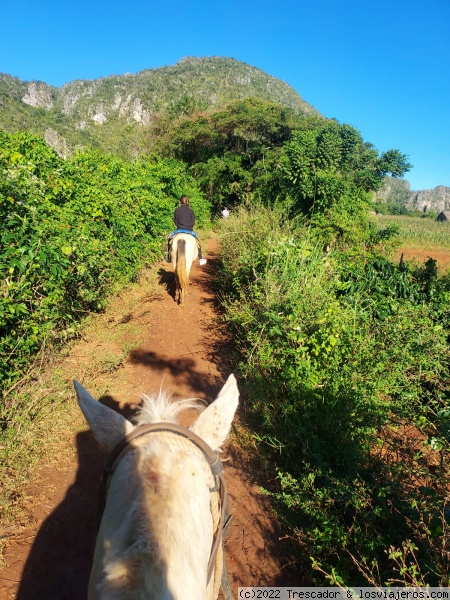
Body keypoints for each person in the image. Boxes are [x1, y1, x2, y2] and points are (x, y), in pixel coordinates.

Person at [166, 195, 206, 264]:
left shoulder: (177, 210)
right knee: (198, 242)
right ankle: (201, 257)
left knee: (169, 238)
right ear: (187, 202)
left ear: (180, 202)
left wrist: (180, 225)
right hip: (189, 231)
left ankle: (168, 256)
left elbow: (175, 221)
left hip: (179, 230)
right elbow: (193, 222)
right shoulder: (191, 211)